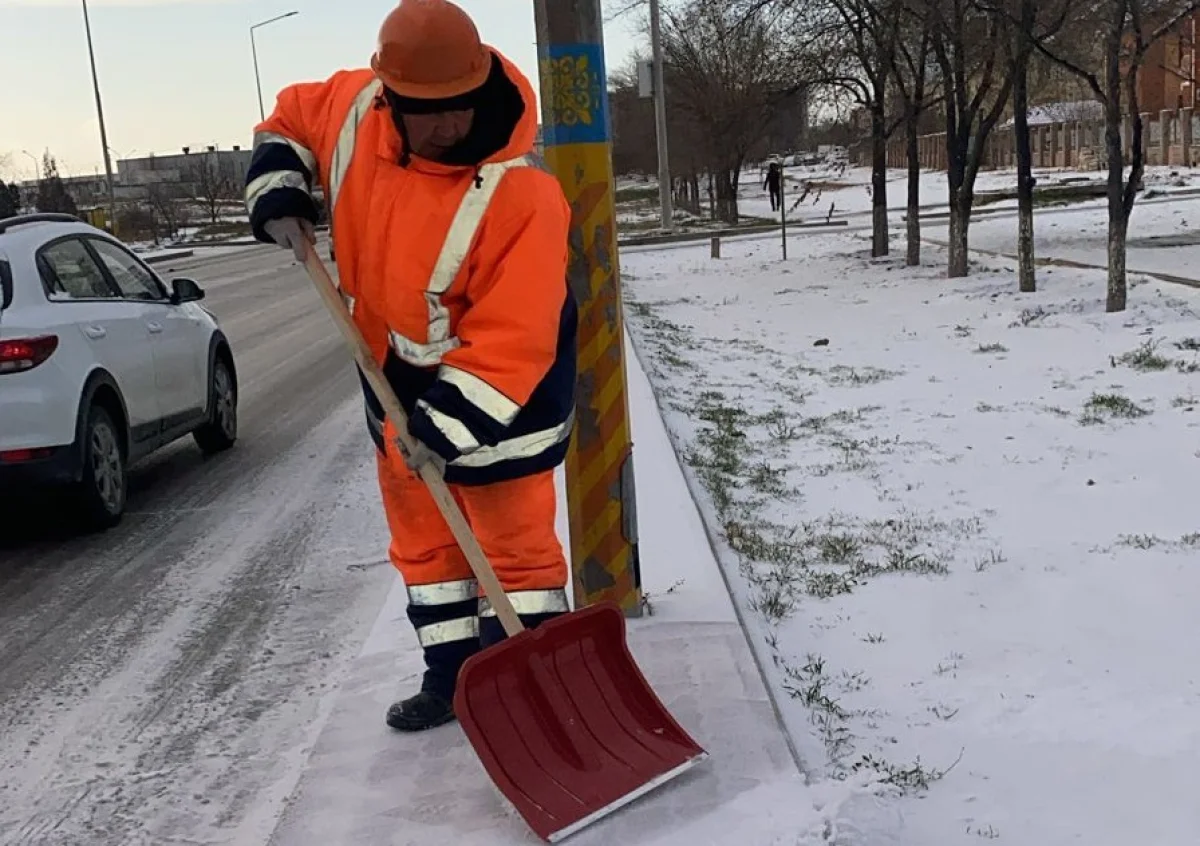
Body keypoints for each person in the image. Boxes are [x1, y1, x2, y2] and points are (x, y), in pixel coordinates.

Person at [244, 0, 577, 733]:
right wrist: (280, 190)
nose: (449, 126)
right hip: (394, 386)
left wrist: (445, 429)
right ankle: (452, 682)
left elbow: (516, 335)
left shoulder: (520, 192)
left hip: (498, 407)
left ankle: (526, 691)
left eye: (460, 106)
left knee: (514, 559)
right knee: (428, 552)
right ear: (389, 93)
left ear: (480, 78)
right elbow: (288, 123)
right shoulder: (358, 112)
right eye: (428, 111)